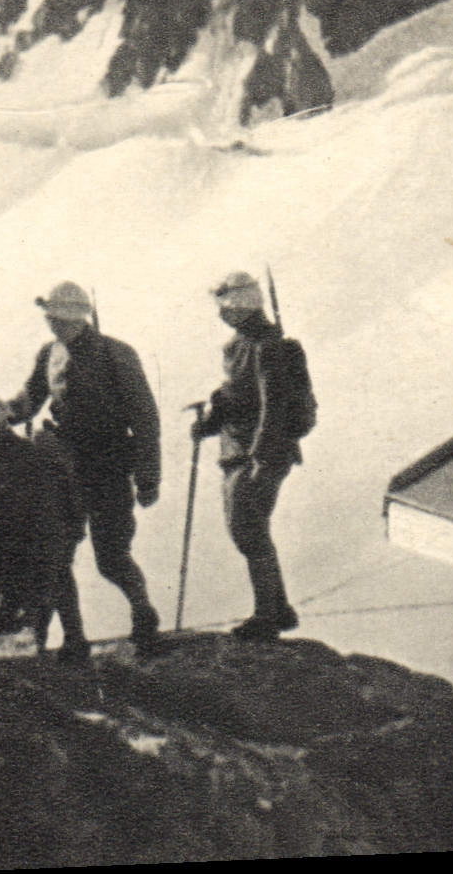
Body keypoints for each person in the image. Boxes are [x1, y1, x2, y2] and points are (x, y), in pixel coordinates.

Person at [8, 281, 164, 649]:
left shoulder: (116, 354)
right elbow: (29, 399)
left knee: (111, 557)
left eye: (59, 316)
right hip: (65, 467)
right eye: (50, 317)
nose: (53, 323)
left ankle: (143, 612)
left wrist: (148, 477)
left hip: (109, 466)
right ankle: (71, 637)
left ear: (77, 317)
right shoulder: (49, 354)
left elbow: (145, 419)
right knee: (58, 553)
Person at [191, 271, 301, 641]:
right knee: (253, 528)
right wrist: (209, 423)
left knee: (247, 529)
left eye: (226, 307)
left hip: (258, 454)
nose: (221, 314)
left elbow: (273, 405)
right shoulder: (241, 345)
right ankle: (278, 609)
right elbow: (237, 395)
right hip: (242, 450)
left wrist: (261, 458)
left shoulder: (268, 346)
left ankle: (268, 616)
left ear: (242, 305)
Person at [0, 385, 88, 662]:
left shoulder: (30, 461)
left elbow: (51, 541)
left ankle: (72, 642)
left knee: (14, 647)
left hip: (21, 575)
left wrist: (42, 601)